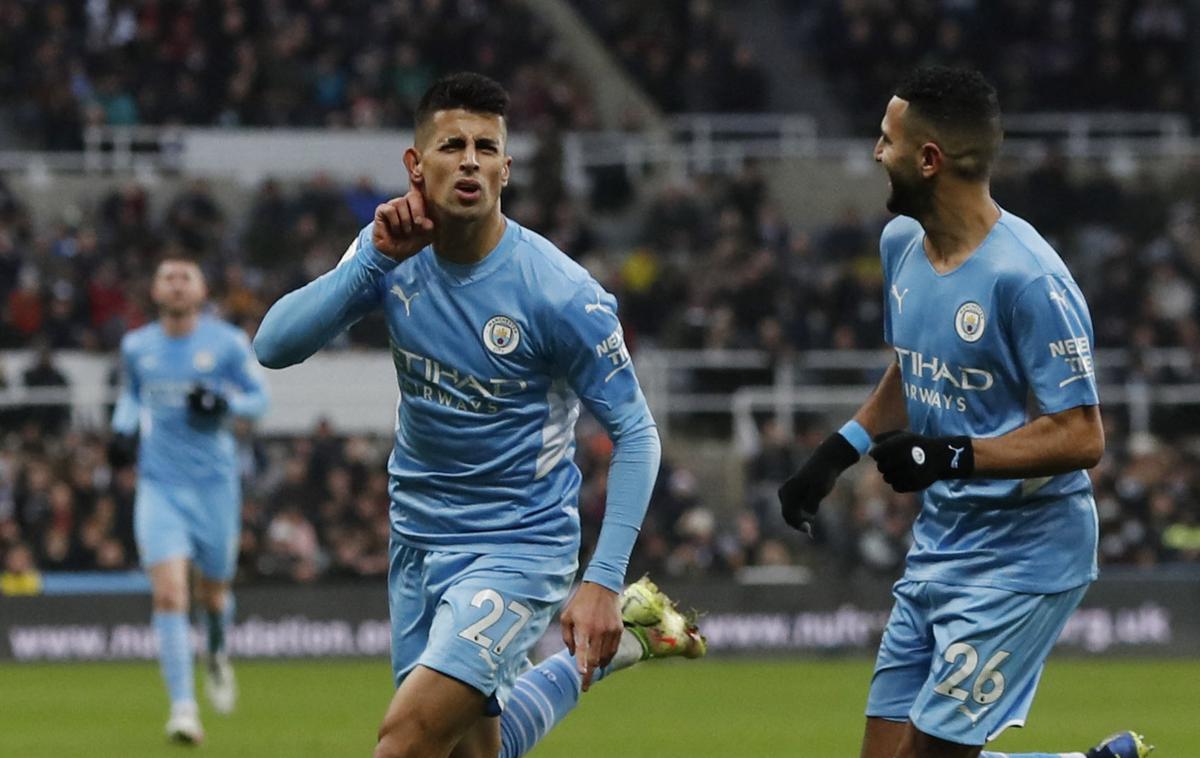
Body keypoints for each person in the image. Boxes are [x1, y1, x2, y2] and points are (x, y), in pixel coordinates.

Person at [253, 72, 704, 758]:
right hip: (417, 537)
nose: (470, 160)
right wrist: (370, 261)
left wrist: (602, 580)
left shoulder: (559, 294)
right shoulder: (389, 252)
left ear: (506, 168)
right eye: (453, 144)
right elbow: (274, 345)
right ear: (416, 164)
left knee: (405, 742)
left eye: (486, 147)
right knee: (473, 752)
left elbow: (637, 434)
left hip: (518, 545)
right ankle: (627, 646)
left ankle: (620, 625)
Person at [777, 67, 1152, 758]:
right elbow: (914, 368)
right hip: (940, 544)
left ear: (928, 159)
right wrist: (837, 453)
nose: (874, 153)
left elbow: (1081, 434)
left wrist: (948, 455)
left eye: (885, 140)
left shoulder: (1029, 278)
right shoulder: (900, 246)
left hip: (1024, 554)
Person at [110, 256, 269, 744]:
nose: (176, 286)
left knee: (213, 594)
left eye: (185, 278)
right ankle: (183, 708)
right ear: (155, 290)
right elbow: (134, 395)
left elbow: (259, 401)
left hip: (215, 488)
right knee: (170, 594)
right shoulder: (136, 346)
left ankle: (217, 653)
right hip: (159, 486)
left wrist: (225, 405)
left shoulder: (226, 343)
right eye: (167, 278)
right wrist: (122, 426)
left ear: (201, 290)